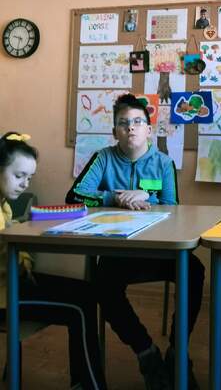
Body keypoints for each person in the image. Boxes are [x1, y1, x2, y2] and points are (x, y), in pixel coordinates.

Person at [66, 93, 204, 390]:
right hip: (118, 252)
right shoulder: (103, 158)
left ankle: (177, 352)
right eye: (123, 123)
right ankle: (146, 352)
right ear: (114, 131)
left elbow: (173, 208)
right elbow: (75, 196)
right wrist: (114, 197)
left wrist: (147, 196)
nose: (131, 128)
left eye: (138, 122)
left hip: (158, 252)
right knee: (103, 284)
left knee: (194, 269)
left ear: (149, 129)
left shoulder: (164, 163)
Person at [0, 132, 107, 390]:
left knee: (86, 293)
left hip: (13, 282)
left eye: (29, 178)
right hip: (3, 296)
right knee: (79, 306)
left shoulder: (4, 205)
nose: (25, 184)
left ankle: (83, 382)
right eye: (19, 176)